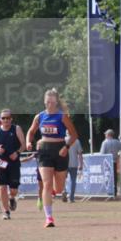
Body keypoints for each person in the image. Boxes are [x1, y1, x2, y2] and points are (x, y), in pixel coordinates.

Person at [25, 88, 79, 228]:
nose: (50, 104)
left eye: (52, 102)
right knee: (47, 184)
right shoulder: (39, 117)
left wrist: (66, 147)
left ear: (56, 103)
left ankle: (52, 192)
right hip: (44, 151)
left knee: (59, 188)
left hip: (60, 150)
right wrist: (28, 142)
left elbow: (74, 135)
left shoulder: (62, 116)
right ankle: (49, 218)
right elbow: (31, 132)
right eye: (47, 102)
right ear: (44, 102)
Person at [0, 110, 25, 220]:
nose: (5, 120)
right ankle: (6, 211)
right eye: (3, 118)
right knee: (2, 187)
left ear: (11, 119)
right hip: (0, 163)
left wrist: (17, 153)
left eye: (7, 118)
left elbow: (23, 144)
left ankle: (12, 198)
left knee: (13, 189)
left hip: (14, 162)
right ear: (0, 120)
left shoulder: (16, 129)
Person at [99, 129, 121, 196]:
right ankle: (114, 191)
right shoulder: (117, 142)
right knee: (114, 176)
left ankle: (109, 191)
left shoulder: (105, 142)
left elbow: (102, 153)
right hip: (114, 161)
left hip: (107, 163)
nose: (105, 135)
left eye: (105, 134)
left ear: (108, 135)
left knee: (107, 177)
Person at [62, 137, 84, 203]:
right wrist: (81, 164)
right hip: (74, 164)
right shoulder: (76, 141)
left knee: (63, 179)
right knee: (73, 180)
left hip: (64, 163)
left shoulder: (63, 140)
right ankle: (71, 197)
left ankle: (64, 191)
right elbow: (80, 153)